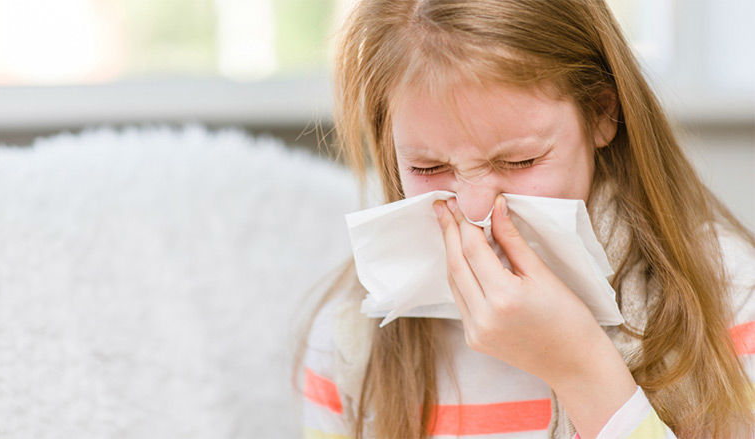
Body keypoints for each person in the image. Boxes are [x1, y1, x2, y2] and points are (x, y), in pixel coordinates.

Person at [292, 0, 755, 437]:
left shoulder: (728, 293)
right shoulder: (350, 343)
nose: (473, 210)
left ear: (601, 113)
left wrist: (581, 368)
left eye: (519, 161)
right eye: (429, 168)